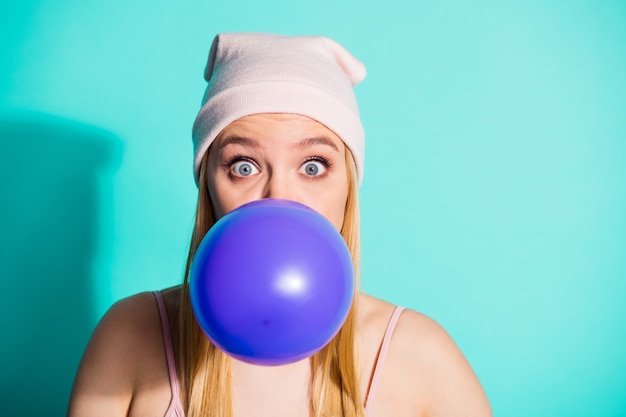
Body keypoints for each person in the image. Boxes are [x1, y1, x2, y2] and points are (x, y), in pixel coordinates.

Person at [68, 32, 492, 417]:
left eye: (312, 165)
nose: (279, 198)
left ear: (348, 185)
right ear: (208, 186)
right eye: (244, 165)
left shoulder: (419, 355)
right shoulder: (130, 336)